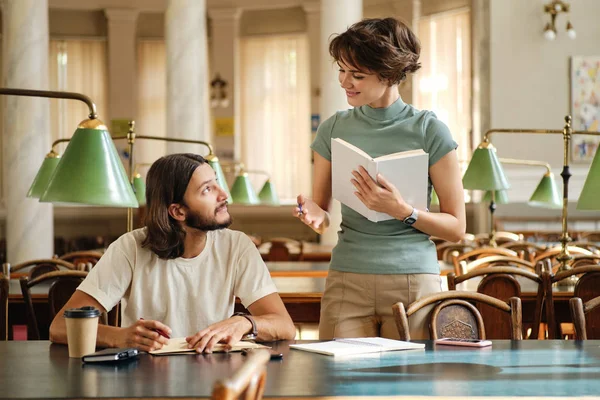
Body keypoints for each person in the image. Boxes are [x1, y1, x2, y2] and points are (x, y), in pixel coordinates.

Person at [295, 18, 466, 340]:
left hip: (413, 278)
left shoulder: (430, 130)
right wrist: (315, 215)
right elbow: (322, 213)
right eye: (341, 70)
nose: (345, 82)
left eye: (357, 75)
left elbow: (457, 228)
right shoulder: (333, 128)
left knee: (410, 388)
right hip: (347, 276)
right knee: (339, 385)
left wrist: (403, 210)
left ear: (389, 74)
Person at [50, 153, 296, 352]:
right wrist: (119, 336)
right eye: (207, 190)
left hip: (213, 379)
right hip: (143, 381)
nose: (224, 195)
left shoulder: (237, 246)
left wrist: (244, 322)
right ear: (178, 212)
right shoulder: (130, 247)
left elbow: (285, 326)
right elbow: (60, 327)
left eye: (217, 184)